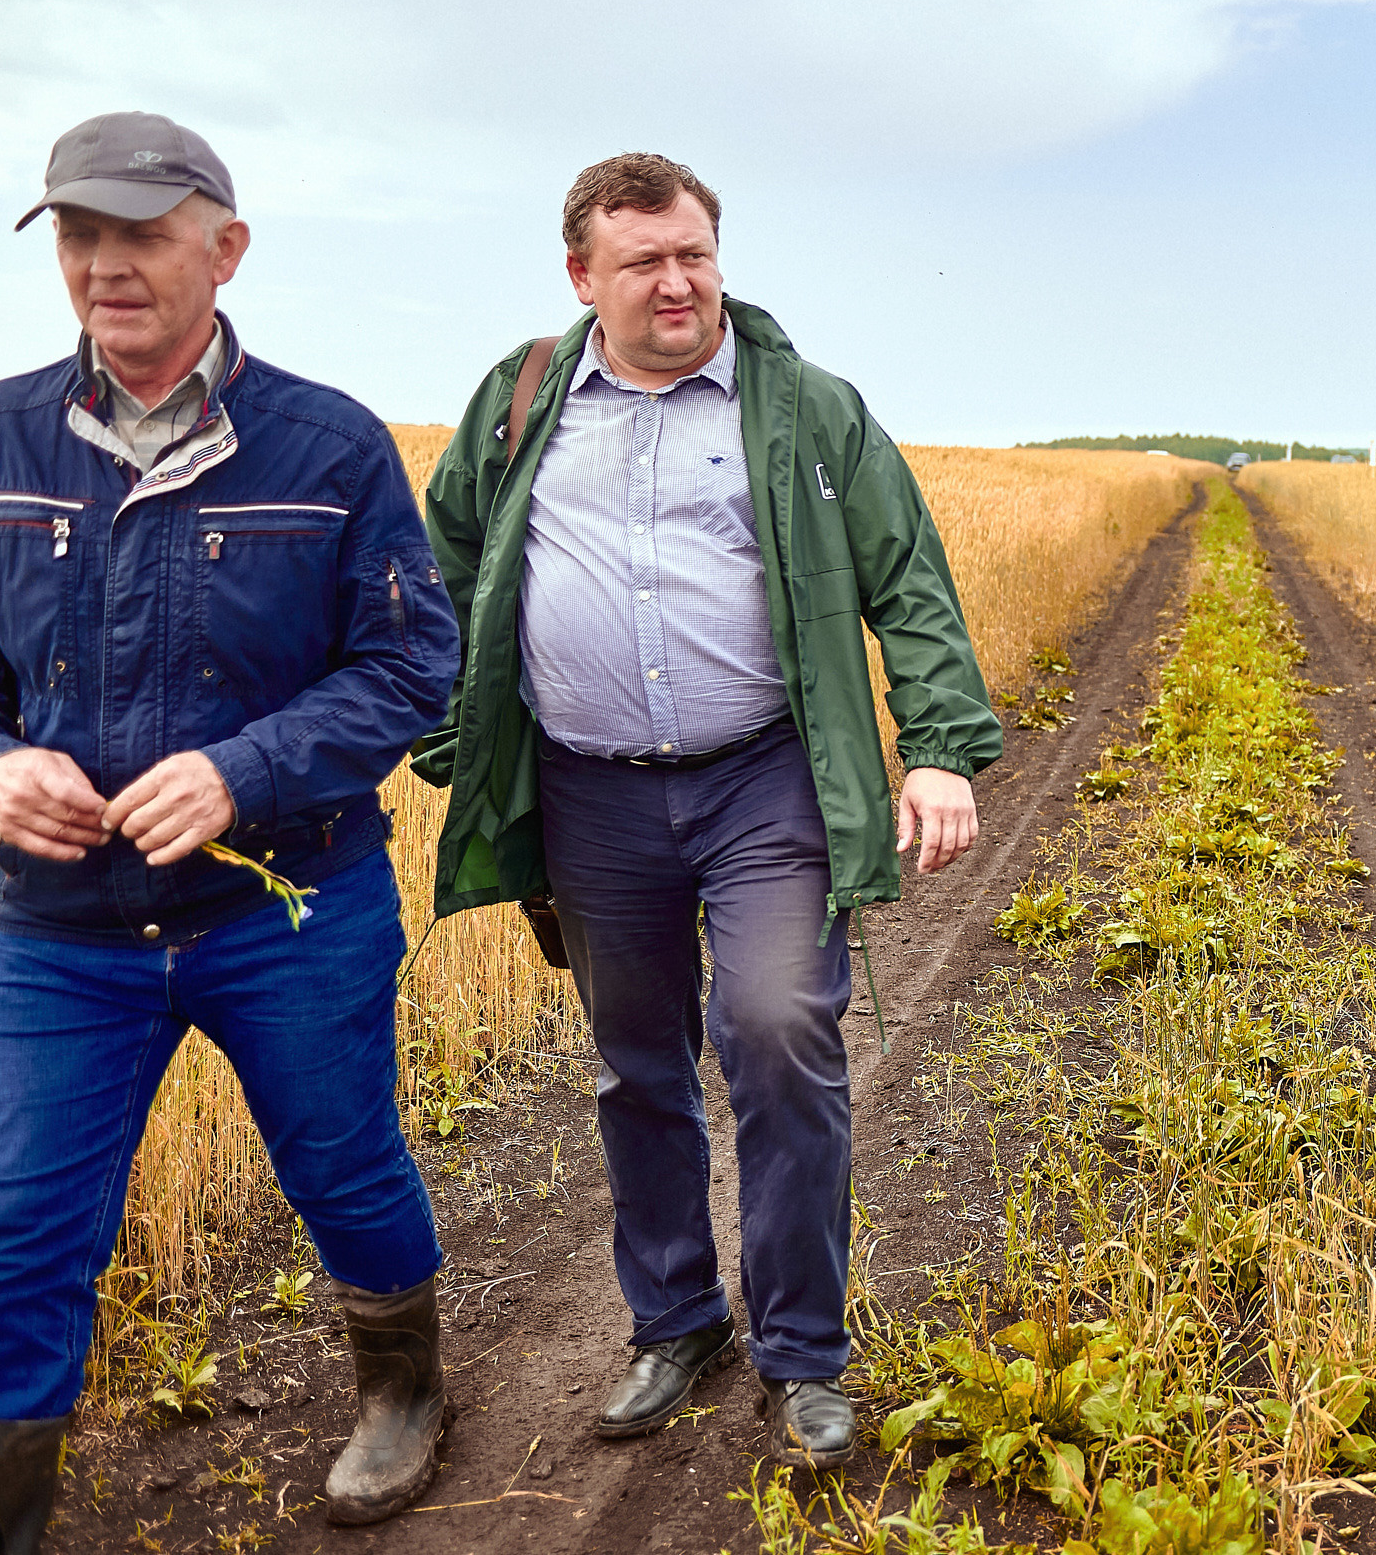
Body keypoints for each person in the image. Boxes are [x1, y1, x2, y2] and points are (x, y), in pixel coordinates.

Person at [416, 153, 1002, 1472]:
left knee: (779, 1027)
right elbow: (441, 565)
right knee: (637, 1063)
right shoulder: (519, 404)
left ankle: (803, 1354)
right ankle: (674, 1324)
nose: (677, 283)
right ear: (583, 276)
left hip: (763, 778)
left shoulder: (804, 409)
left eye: (695, 255)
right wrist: (451, 729)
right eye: (644, 262)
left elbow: (906, 576)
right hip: (587, 791)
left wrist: (942, 748)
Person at [0, 112, 463, 1545]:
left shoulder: (328, 445)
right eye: (78, 236)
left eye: (138, 233)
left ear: (223, 247)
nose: (104, 265)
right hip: (64, 936)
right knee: (6, 1230)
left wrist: (247, 770)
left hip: (286, 906)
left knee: (345, 1164)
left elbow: (409, 667)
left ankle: (404, 1392)